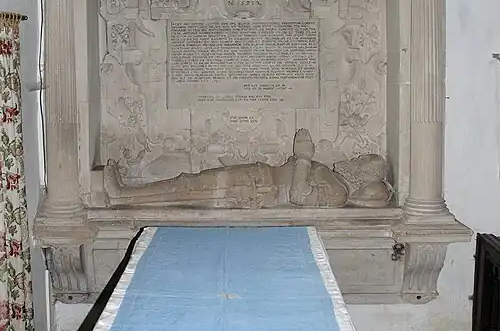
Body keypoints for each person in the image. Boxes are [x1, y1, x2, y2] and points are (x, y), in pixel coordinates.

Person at [104, 129, 393, 210]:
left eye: (361, 161)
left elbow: (298, 196)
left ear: (363, 176)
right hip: (260, 175)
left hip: (256, 190)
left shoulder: (339, 194)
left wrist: (304, 158)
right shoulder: (334, 178)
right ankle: (126, 193)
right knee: (188, 182)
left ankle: (123, 196)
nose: (355, 158)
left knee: (186, 188)